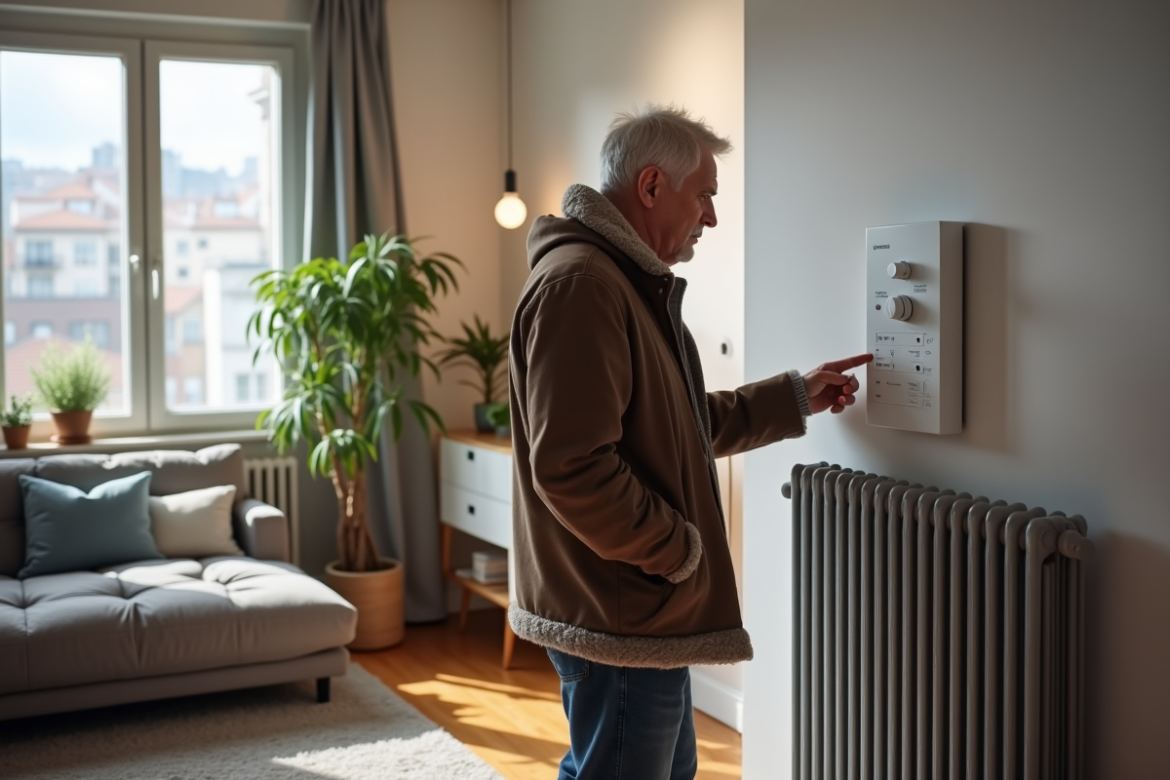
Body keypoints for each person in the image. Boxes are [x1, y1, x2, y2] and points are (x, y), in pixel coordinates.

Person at [507, 104, 872, 780]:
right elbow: (572, 467)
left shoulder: (616, 281)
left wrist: (796, 395)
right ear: (651, 187)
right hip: (624, 607)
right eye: (703, 194)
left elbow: (673, 424)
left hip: (637, 605)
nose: (711, 216)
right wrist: (676, 551)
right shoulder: (585, 285)